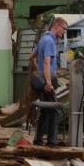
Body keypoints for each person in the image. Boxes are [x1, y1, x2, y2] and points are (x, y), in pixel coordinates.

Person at [29, 17, 68, 147]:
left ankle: (38, 140)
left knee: (45, 110)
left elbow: (31, 56)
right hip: (46, 82)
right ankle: (52, 142)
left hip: (41, 79)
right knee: (54, 110)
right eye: (64, 29)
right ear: (57, 26)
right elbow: (46, 62)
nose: (65, 32)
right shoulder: (50, 41)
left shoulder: (43, 39)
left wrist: (37, 72)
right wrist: (48, 82)